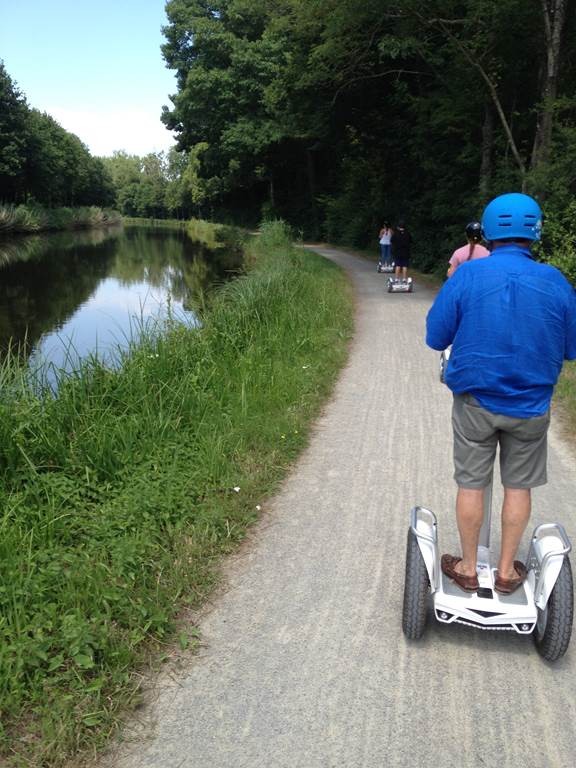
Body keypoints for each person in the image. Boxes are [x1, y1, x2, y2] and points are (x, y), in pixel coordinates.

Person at [426, 192, 576, 594]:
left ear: (488, 231)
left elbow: (435, 335)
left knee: (472, 483)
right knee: (518, 485)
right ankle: (508, 571)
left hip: (476, 401)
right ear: (535, 232)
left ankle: (470, 567)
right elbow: (571, 348)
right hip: (531, 405)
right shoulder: (556, 282)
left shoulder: (468, 276)